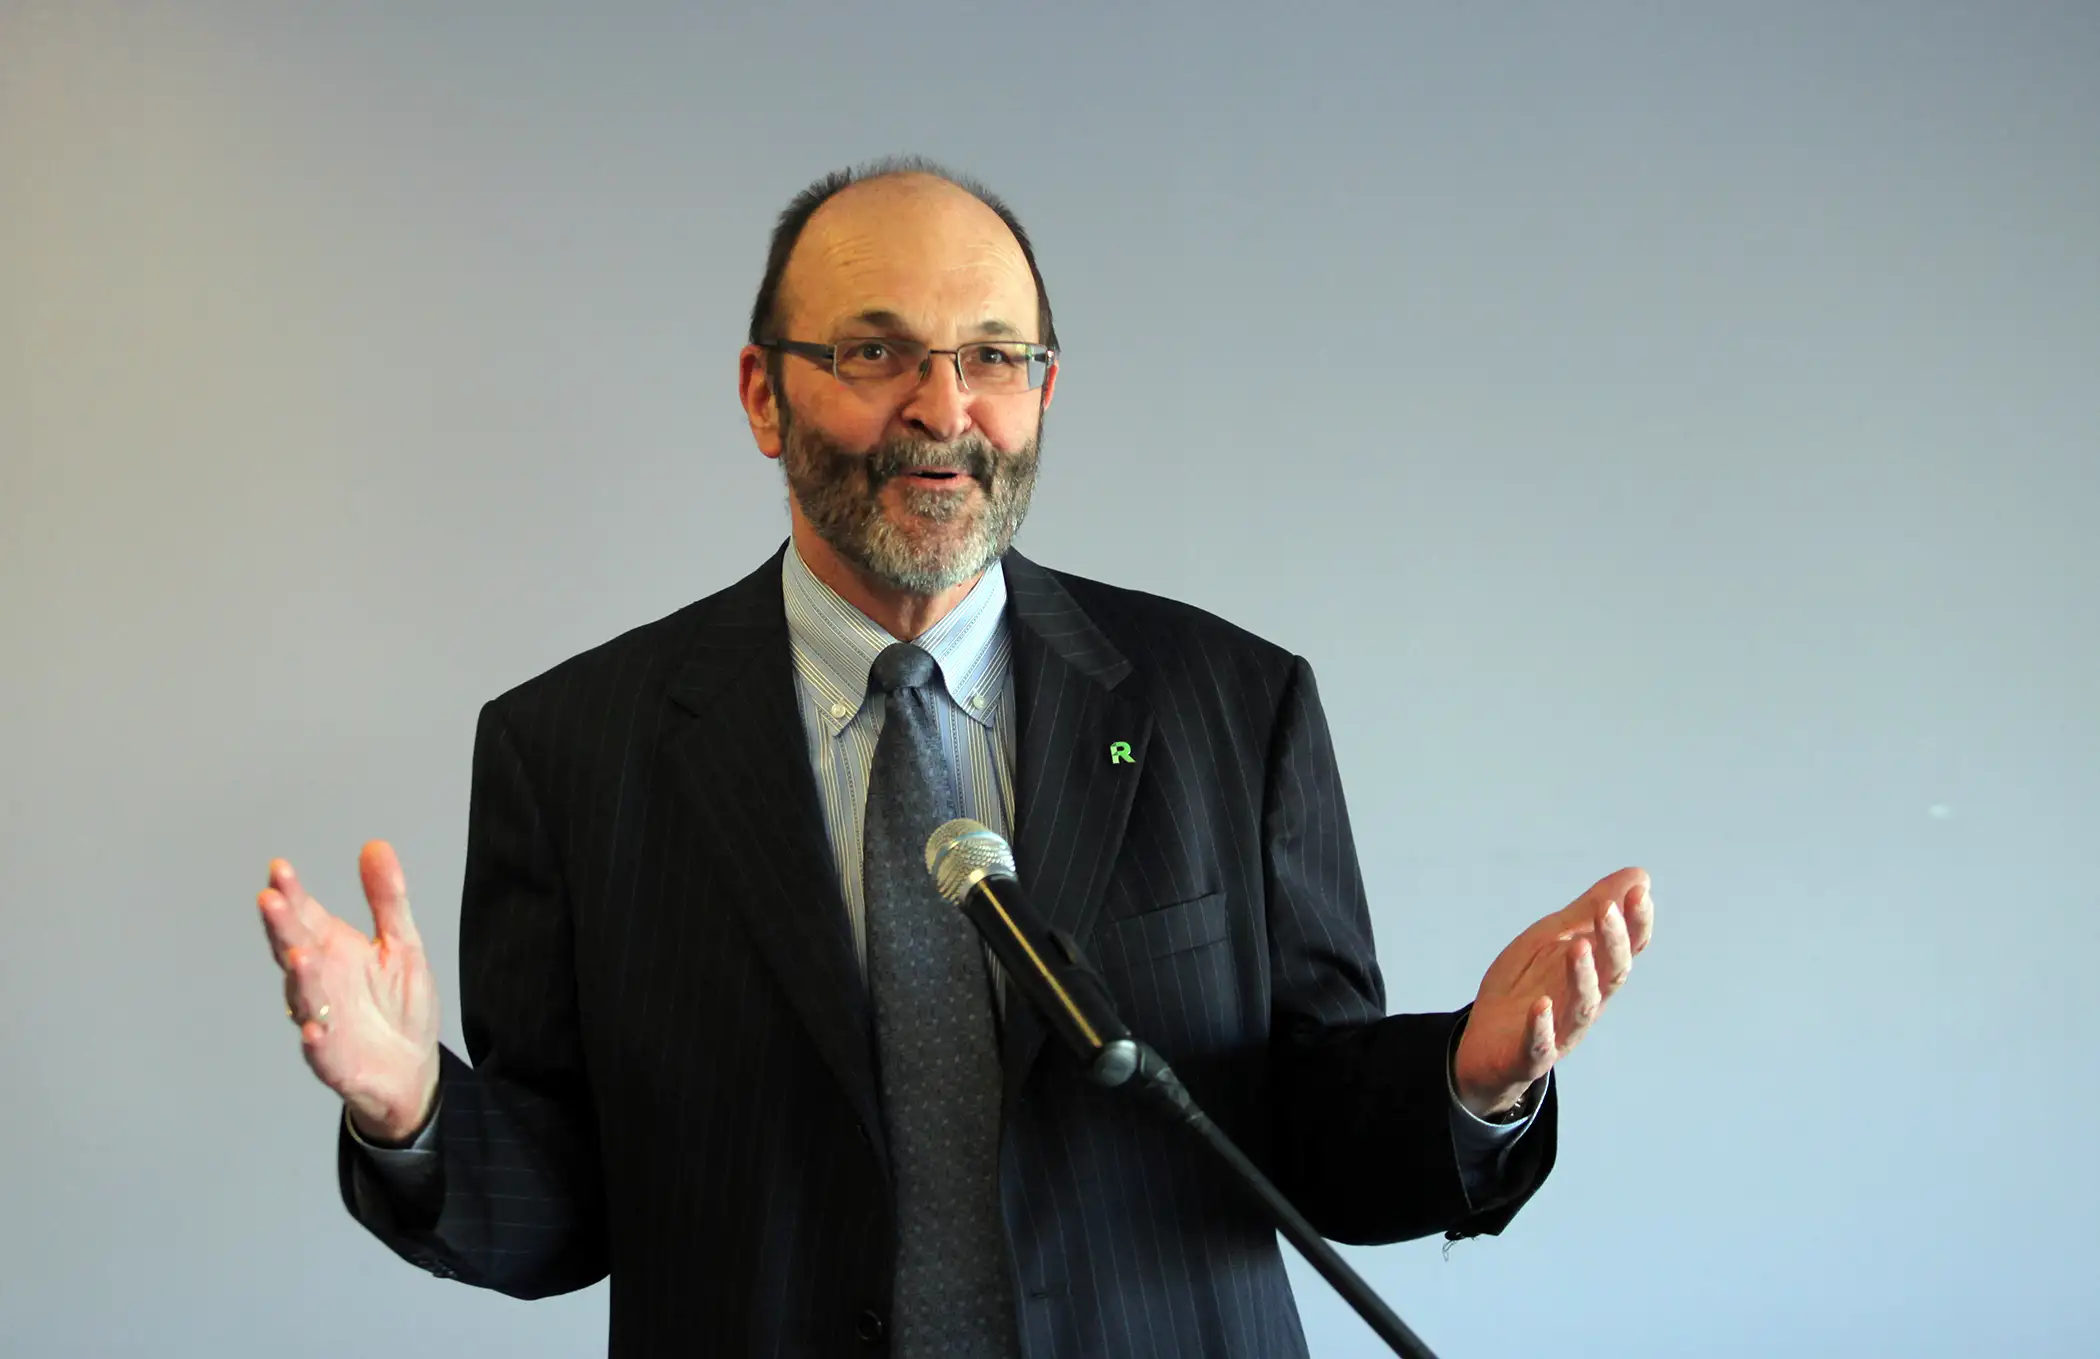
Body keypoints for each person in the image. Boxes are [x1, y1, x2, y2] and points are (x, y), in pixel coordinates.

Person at [257, 159, 1655, 1359]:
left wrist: (1469, 1081)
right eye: (877, 353)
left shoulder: (1235, 703)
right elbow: (565, 1203)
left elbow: (1305, 1129)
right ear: (763, 394)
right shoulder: (574, 749)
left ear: (1045, 388)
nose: (946, 407)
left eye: (994, 356)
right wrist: (415, 1110)